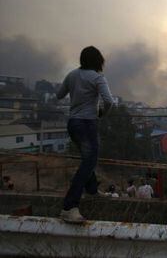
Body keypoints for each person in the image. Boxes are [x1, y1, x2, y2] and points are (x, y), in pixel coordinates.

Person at [57, 46, 114, 223]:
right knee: (89, 162)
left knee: (86, 159)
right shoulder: (97, 77)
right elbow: (109, 101)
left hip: (73, 124)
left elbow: (59, 95)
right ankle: (69, 207)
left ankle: (92, 190)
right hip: (88, 123)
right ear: (98, 61)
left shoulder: (72, 75)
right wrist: (101, 113)